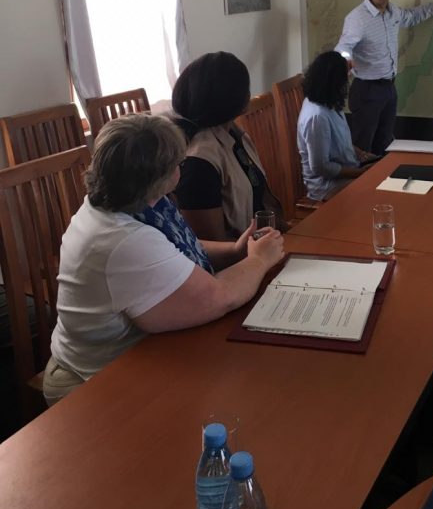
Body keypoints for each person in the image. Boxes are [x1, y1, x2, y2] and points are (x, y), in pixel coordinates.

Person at [42, 114, 284, 405]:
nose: (181, 170)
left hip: (137, 358)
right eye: (178, 165)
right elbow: (220, 297)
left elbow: (172, 253)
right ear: (159, 177)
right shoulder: (123, 239)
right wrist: (259, 260)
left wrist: (234, 252)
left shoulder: (127, 201)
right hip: (91, 381)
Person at [335, 0, 433, 154]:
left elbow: (413, 16)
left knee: (385, 144)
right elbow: (342, 47)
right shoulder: (357, 18)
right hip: (366, 91)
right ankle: (361, 183)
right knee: (362, 148)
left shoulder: (393, 12)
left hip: (388, 89)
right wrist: (346, 60)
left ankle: (380, 182)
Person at [172, 51, 287, 241]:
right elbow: (211, 244)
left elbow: (263, 201)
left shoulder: (233, 133)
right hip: (239, 262)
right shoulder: (199, 162)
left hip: (260, 246)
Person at [297, 51, 376, 201]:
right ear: (334, 82)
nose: (349, 78)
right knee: (377, 189)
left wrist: (364, 155)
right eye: (345, 76)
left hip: (348, 171)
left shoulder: (328, 101)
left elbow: (341, 142)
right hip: (326, 186)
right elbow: (321, 167)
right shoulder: (317, 116)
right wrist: (360, 173)